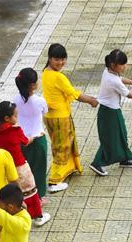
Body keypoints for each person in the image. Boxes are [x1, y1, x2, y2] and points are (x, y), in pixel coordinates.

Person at [42, 43, 99, 193]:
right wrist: (91, 100)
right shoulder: (58, 77)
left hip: (50, 117)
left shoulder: (46, 72)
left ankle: (68, 168)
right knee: (62, 146)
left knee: (61, 144)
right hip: (60, 118)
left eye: (63, 59)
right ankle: (54, 180)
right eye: (57, 59)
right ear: (49, 59)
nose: (60, 63)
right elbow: (74, 93)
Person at [0, 101, 50, 226]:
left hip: (5, 168)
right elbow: (26, 141)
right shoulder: (15, 130)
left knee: (13, 194)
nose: (17, 118)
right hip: (20, 167)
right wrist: (36, 136)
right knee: (30, 190)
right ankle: (38, 216)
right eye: (15, 115)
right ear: (7, 118)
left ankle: (15, 217)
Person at [90, 49, 132, 176]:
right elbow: (129, 95)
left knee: (121, 134)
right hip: (110, 113)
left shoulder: (108, 71)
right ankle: (97, 163)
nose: (125, 67)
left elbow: (121, 79)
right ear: (114, 65)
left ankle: (126, 159)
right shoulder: (113, 80)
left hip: (109, 111)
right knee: (110, 139)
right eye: (122, 65)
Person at [13, 68, 50, 199]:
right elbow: (45, 113)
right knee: (39, 169)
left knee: (24, 169)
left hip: (21, 140)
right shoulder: (39, 101)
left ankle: (25, 194)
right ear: (33, 85)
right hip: (38, 139)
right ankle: (39, 196)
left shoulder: (15, 100)